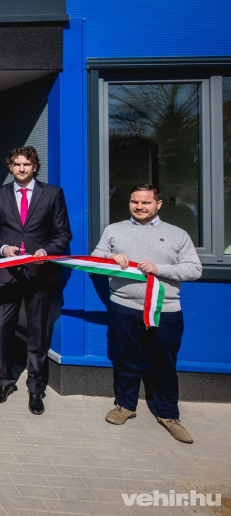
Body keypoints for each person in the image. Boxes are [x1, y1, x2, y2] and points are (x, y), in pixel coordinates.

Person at [92, 184, 201, 443]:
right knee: (125, 359)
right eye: (134, 202)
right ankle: (125, 406)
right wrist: (110, 256)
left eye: (146, 202)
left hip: (165, 310)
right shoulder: (113, 230)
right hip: (123, 308)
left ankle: (168, 415)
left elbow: (194, 269)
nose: (139, 207)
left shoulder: (177, 234)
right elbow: (95, 258)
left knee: (165, 364)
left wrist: (159, 269)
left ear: (158, 204)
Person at [0, 146, 72, 415]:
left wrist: (46, 251)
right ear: (10, 167)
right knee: (3, 328)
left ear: (35, 166)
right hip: (8, 273)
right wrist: (3, 249)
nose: (21, 168)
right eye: (17, 164)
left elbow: (63, 233)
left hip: (40, 273)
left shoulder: (53, 194)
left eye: (26, 164)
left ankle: (36, 388)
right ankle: (5, 381)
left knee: (37, 332)